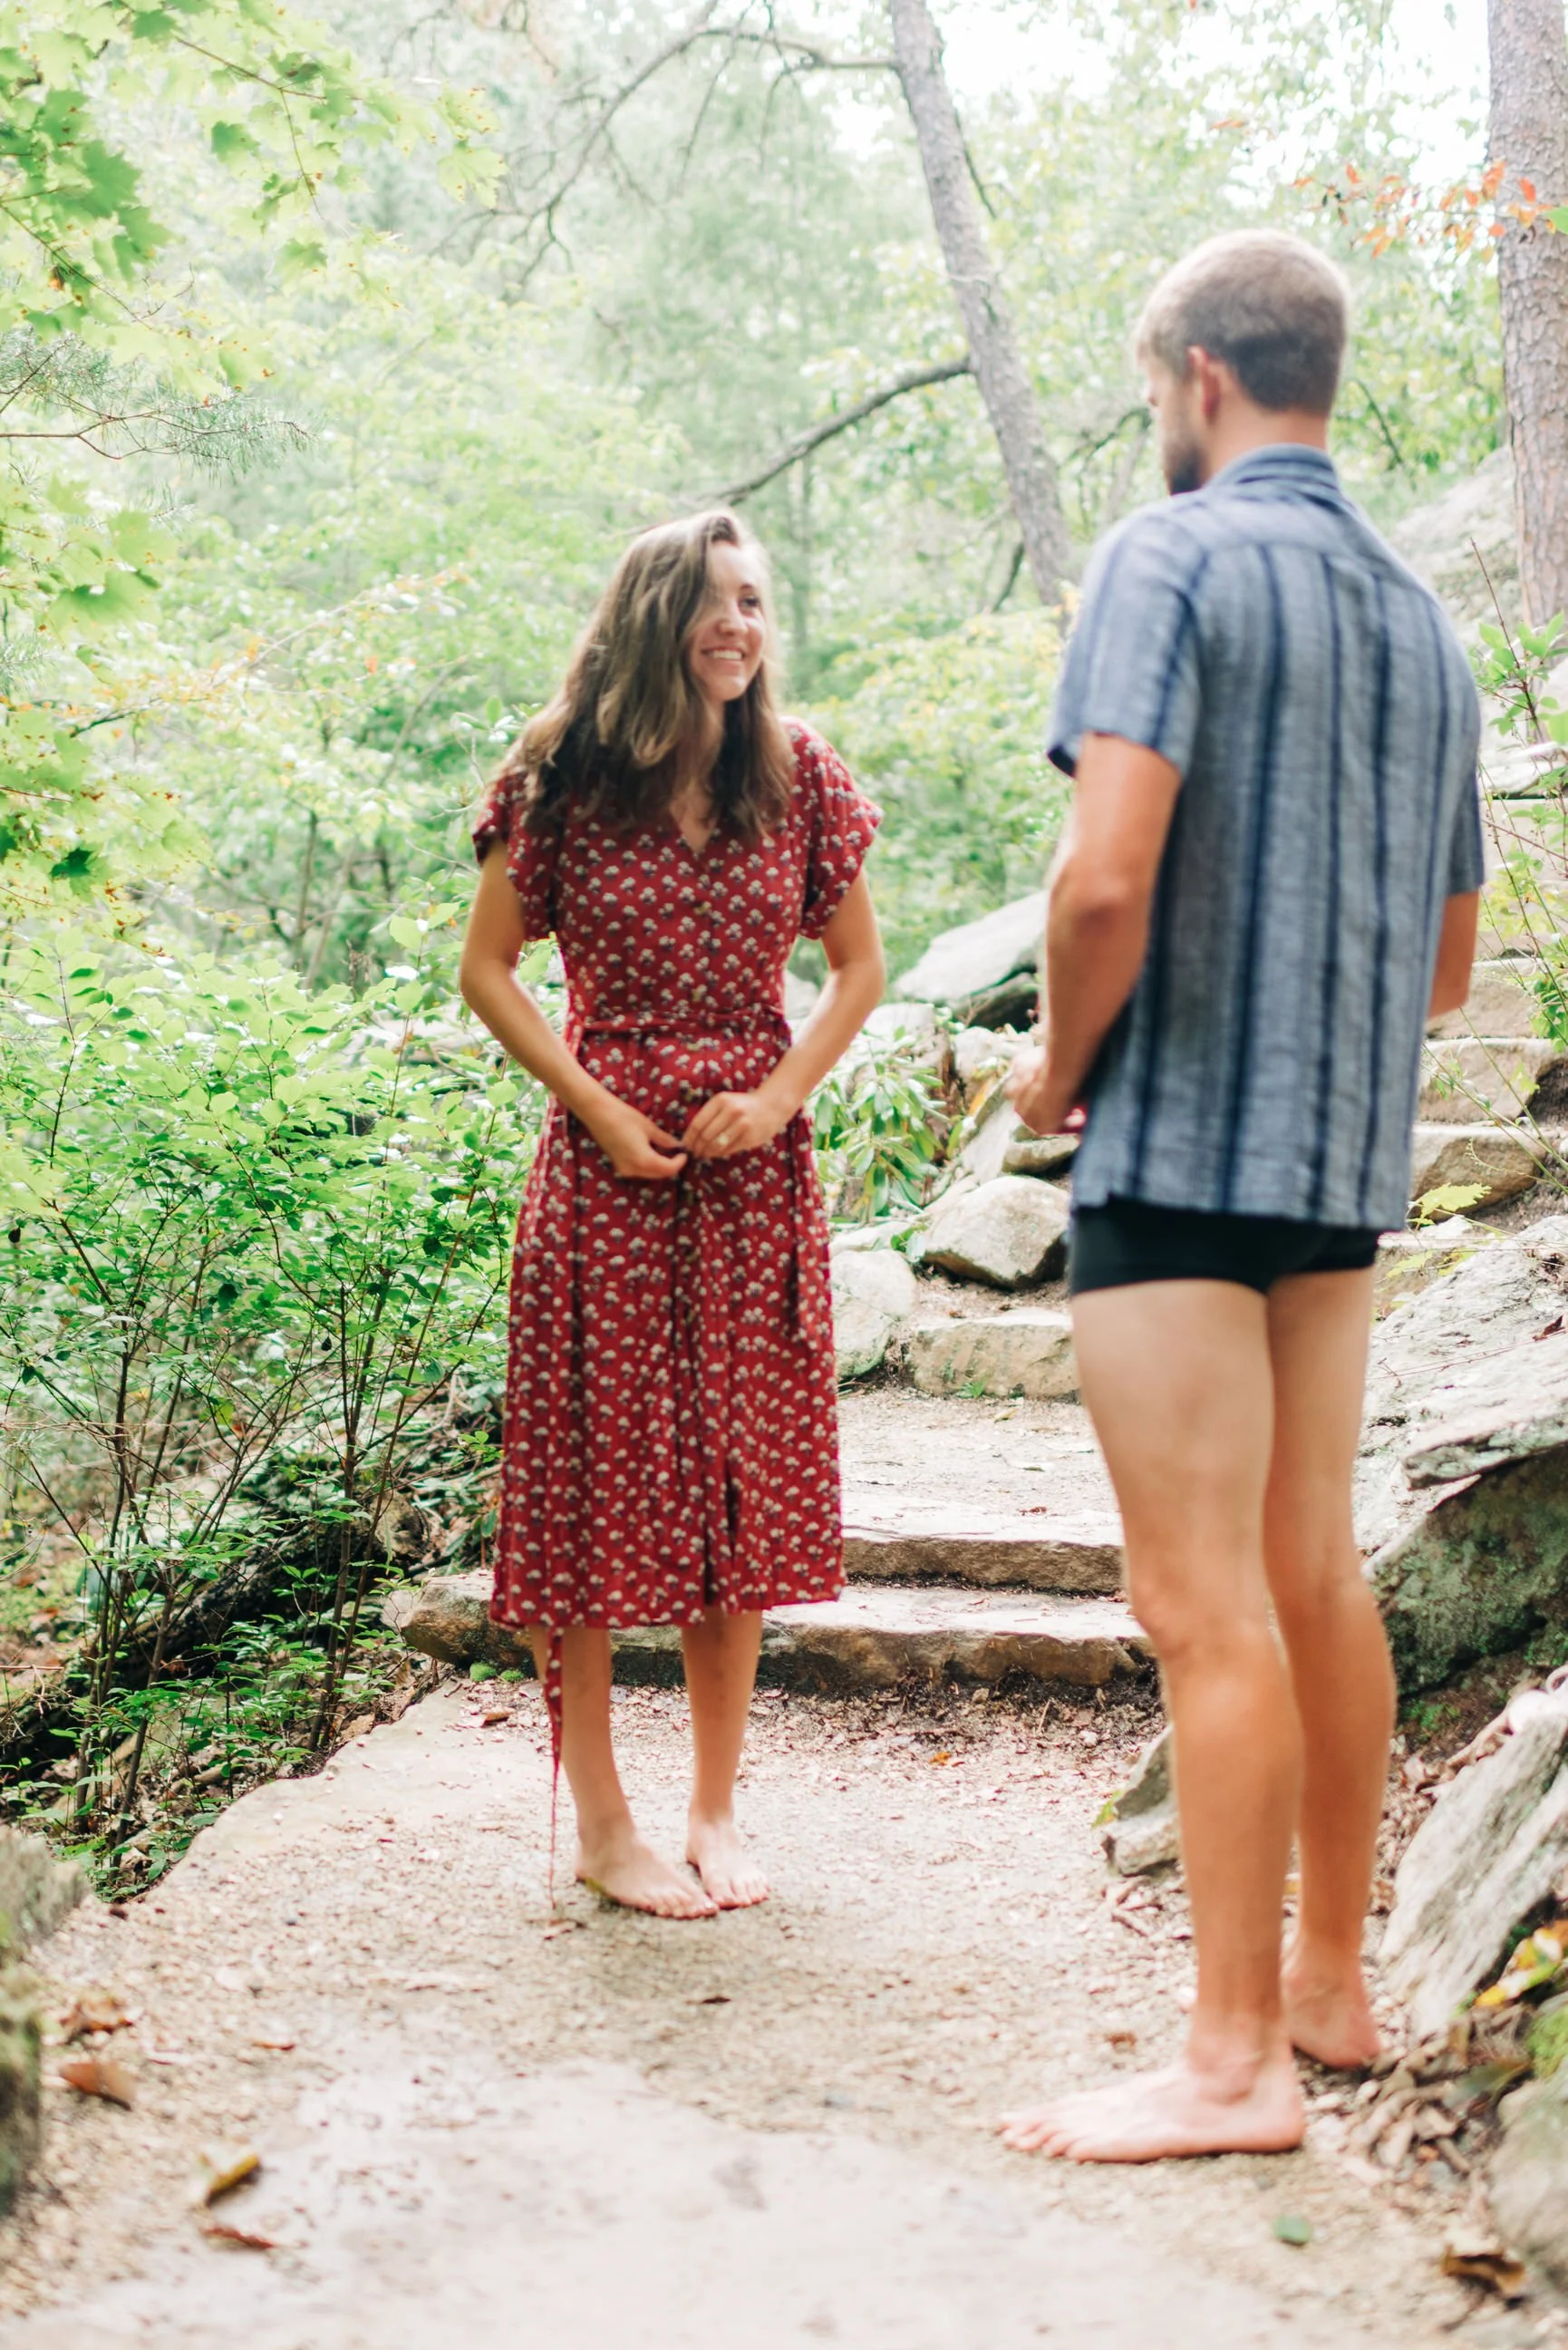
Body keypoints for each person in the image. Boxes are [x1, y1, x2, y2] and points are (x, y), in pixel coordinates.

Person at [999, 230, 1483, 2162]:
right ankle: (1331, 1991)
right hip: (1336, 1174)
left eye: (1151, 403)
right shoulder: (1422, 618)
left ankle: (1226, 2071)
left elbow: (1103, 877)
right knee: (1310, 1574)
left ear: (1198, 376)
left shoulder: (1167, 559)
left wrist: (1052, 1069)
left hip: (1181, 1155)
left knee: (1198, 1608)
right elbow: (1447, 966)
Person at [460, 510, 884, 1920]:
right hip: (605, 1171)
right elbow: (491, 970)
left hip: (753, 1173)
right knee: (584, 1499)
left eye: (755, 602)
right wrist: (590, 1103)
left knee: (735, 1490)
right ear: (653, 614)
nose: (739, 627)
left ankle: (713, 1809)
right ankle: (598, 1822)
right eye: (712, 602)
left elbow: (855, 973)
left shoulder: (799, 773)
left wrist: (774, 1100)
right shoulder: (563, 775)